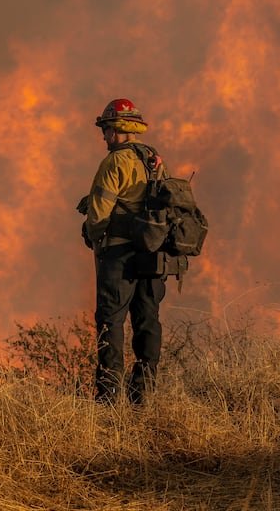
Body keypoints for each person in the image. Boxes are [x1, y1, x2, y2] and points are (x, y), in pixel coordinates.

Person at [76, 98, 165, 404]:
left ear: (116, 129)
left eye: (106, 129)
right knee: (147, 321)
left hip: (119, 257)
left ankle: (109, 397)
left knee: (110, 321)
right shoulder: (152, 158)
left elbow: (99, 214)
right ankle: (143, 396)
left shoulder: (115, 162)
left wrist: (91, 233)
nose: (104, 137)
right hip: (152, 255)